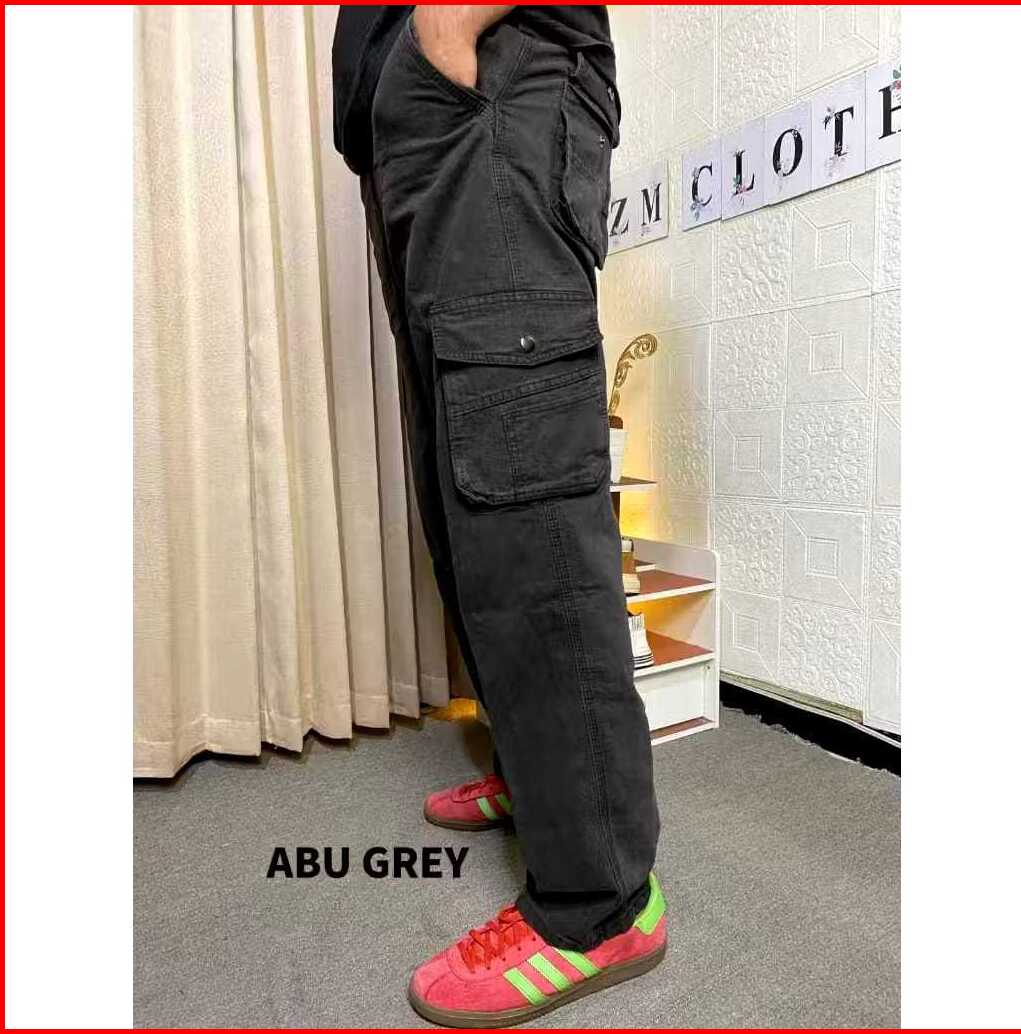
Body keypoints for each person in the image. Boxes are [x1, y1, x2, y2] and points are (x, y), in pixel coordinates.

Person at [332, 6, 665, 1025]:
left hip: (483, 87)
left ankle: (598, 902)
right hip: (420, 128)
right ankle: (541, 778)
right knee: (466, 498)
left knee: (523, 497)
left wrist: (445, 34)